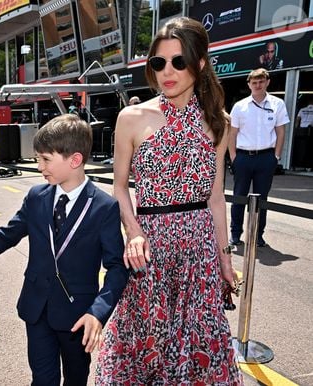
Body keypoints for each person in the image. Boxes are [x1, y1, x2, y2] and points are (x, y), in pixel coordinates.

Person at [96, 17, 242, 384]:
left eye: (179, 61)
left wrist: (225, 261)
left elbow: (215, 199)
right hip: (150, 248)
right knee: (146, 334)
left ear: (200, 63)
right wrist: (133, 233)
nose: (167, 71)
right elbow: (119, 188)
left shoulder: (218, 122)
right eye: (158, 63)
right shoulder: (131, 118)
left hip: (199, 249)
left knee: (197, 342)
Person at [0, 114, 128, 386]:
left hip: (78, 317)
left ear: (74, 160)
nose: (39, 167)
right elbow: (7, 236)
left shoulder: (103, 207)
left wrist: (98, 312)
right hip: (36, 309)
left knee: (75, 378)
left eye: (45, 159)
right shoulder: (37, 197)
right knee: (43, 379)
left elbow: (117, 268)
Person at [228, 68, 289, 247]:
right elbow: (232, 134)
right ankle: (235, 234)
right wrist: (233, 157)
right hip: (243, 158)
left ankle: (257, 235)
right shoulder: (240, 106)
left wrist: (276, 156)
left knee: (262, 200)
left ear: (267, 82)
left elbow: (281, 131)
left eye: (261, 82)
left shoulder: (277, 104)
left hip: (266, 158)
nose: (258, 85)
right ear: (249, 85)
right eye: (254, 82)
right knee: (239, 196)